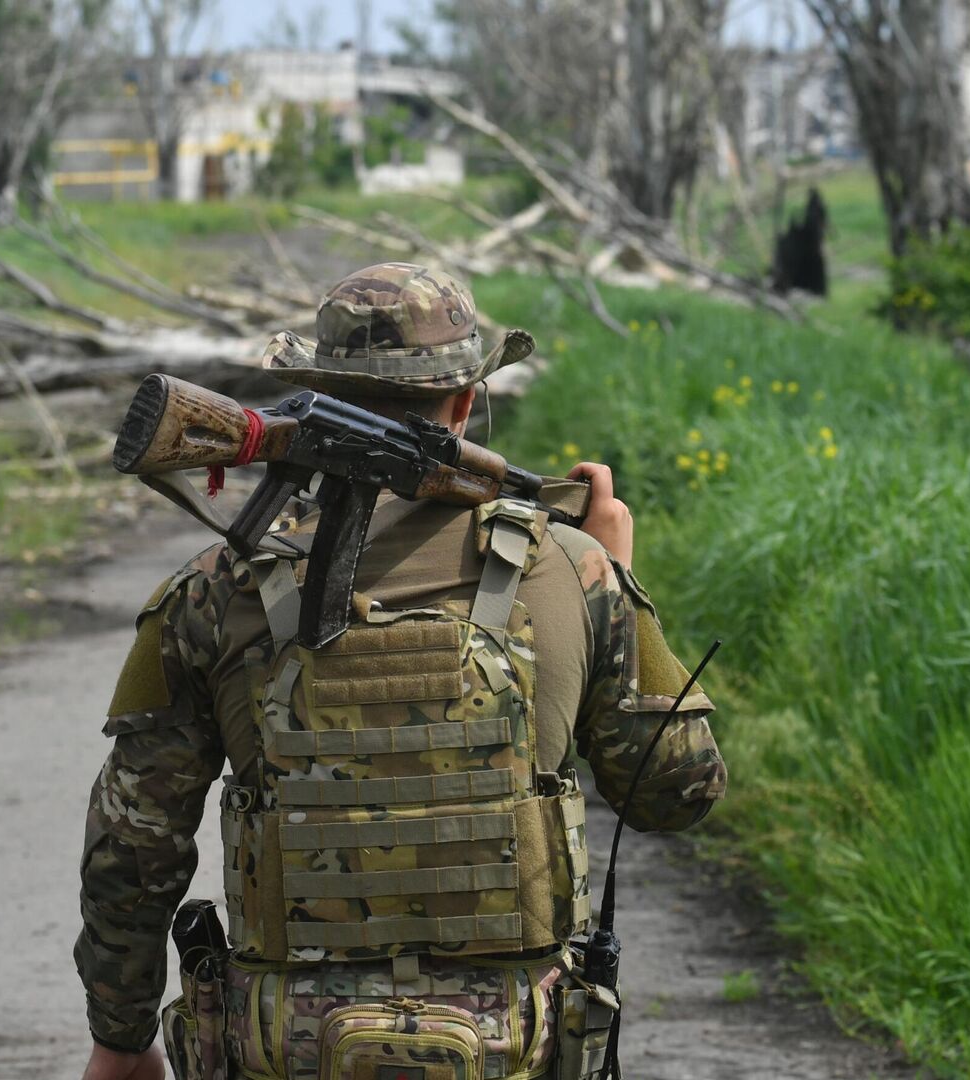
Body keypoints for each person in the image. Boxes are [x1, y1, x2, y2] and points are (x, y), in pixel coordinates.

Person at [76, 262, 727, 1080]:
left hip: (289, 1046)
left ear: (320, 386)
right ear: (465, 402)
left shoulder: (212, 590)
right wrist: (619, 580)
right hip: (515, 1045)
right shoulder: (574, 568)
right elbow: (675, 794)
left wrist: (120, 1039)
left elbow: (133, 843)